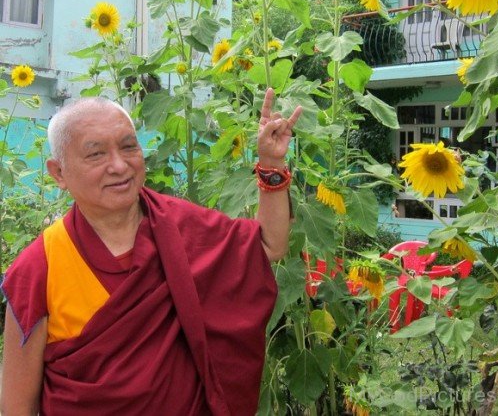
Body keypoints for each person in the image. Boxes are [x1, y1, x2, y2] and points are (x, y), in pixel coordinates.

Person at [0, 89, 302, 415]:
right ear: (58, 173)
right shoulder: (40, 267)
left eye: (129, 146)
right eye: (96, 154)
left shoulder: (179, 226)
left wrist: (271, 163)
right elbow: (17, 406)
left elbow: (269, 245)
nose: (119, 165)